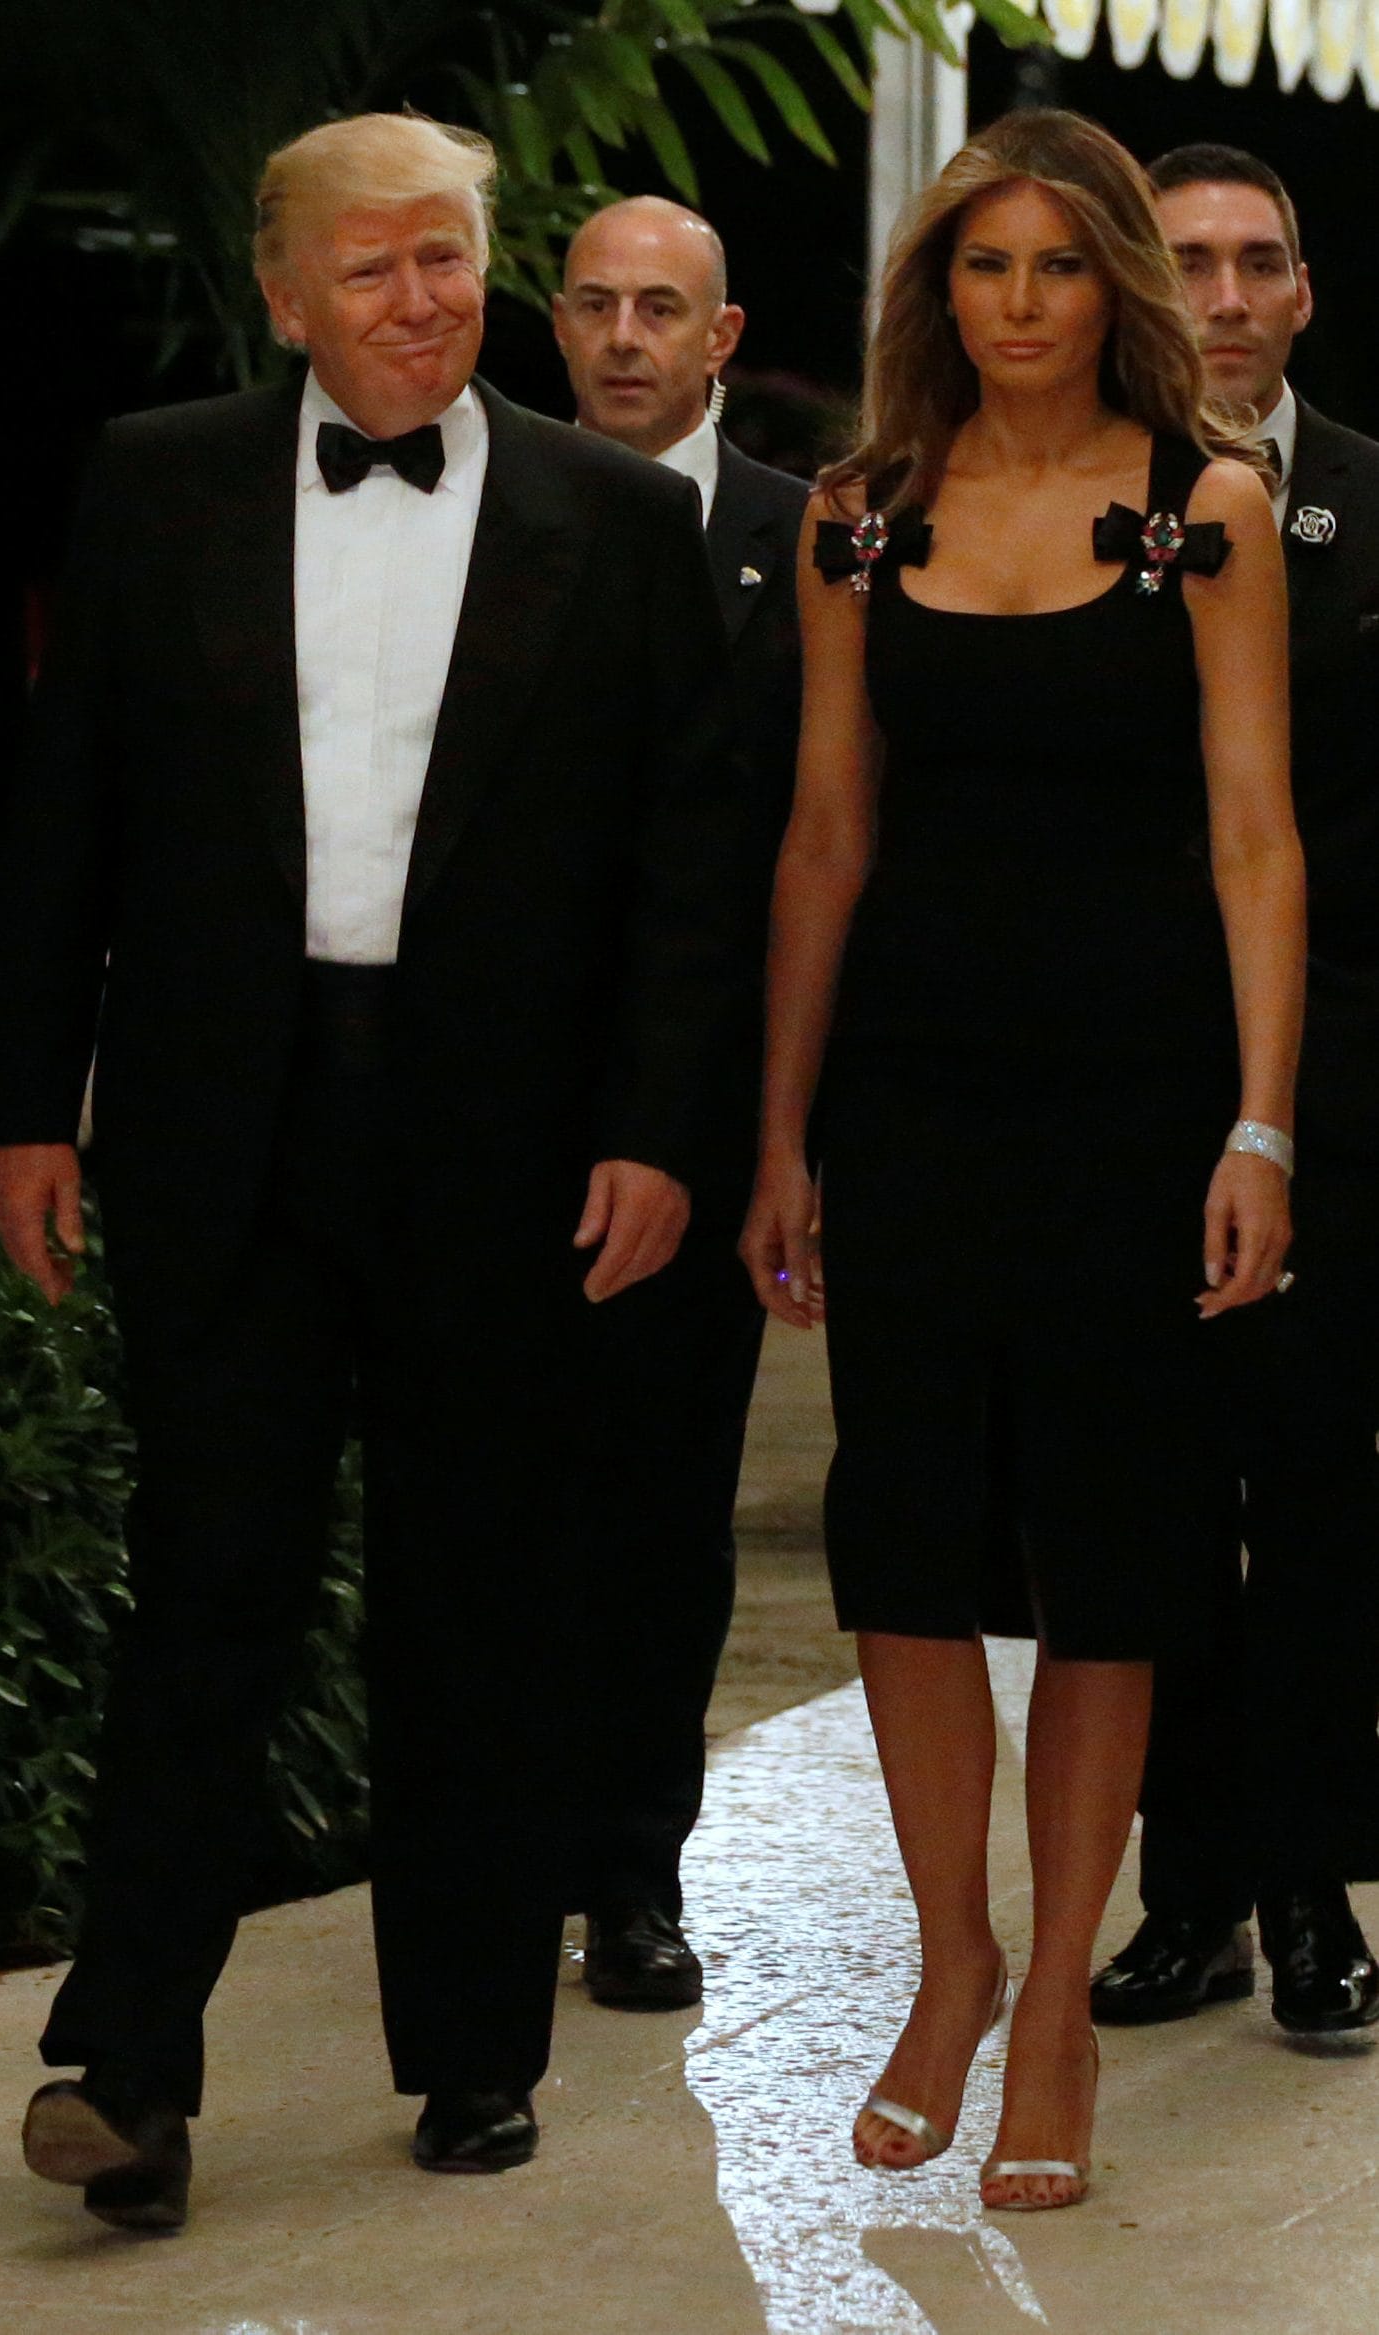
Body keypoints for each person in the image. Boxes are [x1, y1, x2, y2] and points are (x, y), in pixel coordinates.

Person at [0, 110, 750, 2227]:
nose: (423, 302)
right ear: (285, 295)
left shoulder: (614, 518)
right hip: (227, 1116)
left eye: (449, 258)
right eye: (374, 267)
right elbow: (67, 813)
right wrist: (32, 1103)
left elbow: (690, 871)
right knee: (205, 1589)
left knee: (478, 1597)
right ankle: (126, 2068)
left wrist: (656, 1131)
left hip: (508, 1135)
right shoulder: (156, 482)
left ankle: (477, 2050)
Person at [741, 107, 1304, 2212]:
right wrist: (779, 1130)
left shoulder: (1201, 511)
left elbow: (1254, 836)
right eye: (985, 266)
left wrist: (1258, 1122)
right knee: (899, 1540)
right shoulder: (859, 519)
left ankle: (1057, 1991)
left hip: (1136, 1104)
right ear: (937, 293)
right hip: (906, 1098)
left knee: (1111, 1548)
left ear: (1113, 285)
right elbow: (826, 834)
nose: (1021, 303)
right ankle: (951, 1955)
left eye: (1060, 265)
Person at [1091, 146, 1379, 2035]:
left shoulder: (1375, 501)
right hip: (1123, 1080)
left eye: (1258, 260)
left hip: (1342, 1094)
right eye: (1186, 259)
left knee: (1327, 1496)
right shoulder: (1065, 499)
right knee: (1153, 1500)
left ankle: (1311, 1891)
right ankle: (1184, 1892)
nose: (1224, 295)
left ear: (1303, 292)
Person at [551, 196, 806, 2008]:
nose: (625, 337)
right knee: (492, 1502)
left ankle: (636, 1874)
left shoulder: (811, 540)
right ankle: (493, 1859)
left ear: (721, 340)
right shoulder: (483, 503)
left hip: (711, 1118)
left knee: (662, 1510)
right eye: (595, 303)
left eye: (662, 308)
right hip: (492, 1102)